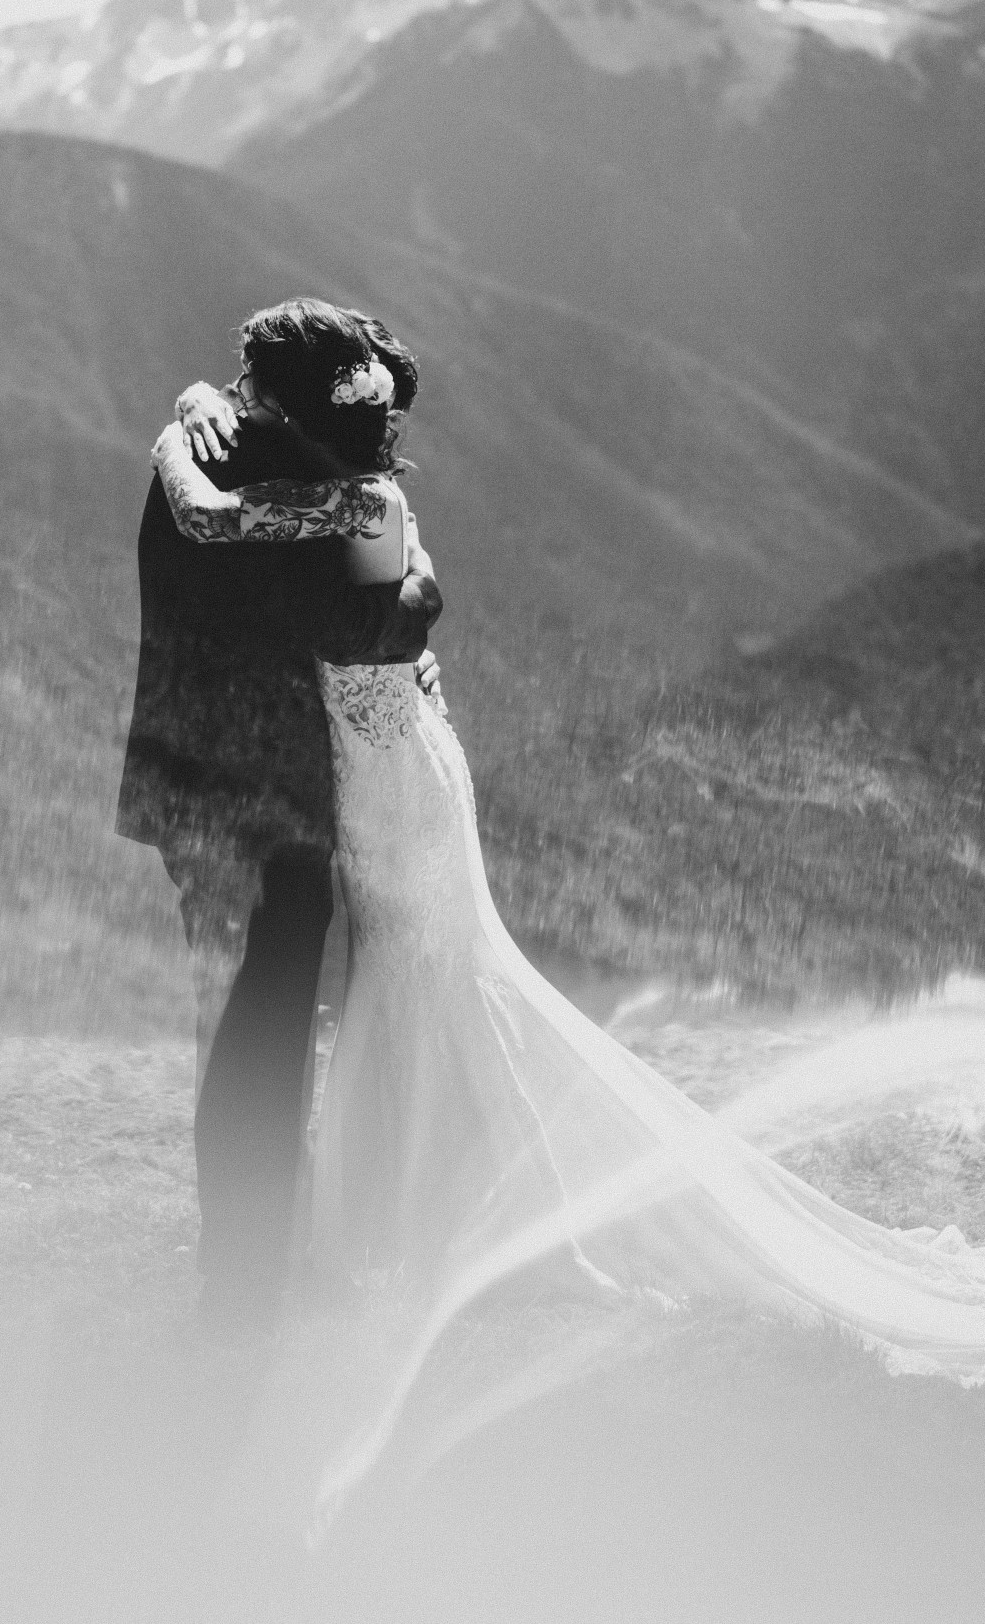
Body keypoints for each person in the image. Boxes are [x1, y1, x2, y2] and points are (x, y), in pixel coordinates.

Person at [151, 296, 985, 1409]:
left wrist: (177, 427)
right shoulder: (370, 498)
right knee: (417, 985)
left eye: (265, 396)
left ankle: (428, 1223)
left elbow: (208, 518)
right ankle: (419, 1215)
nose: (250, 408)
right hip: (391, 764)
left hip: (381, 779)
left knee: (424, 984)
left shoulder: (350, 500)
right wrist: (199, 398)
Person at [116, 301, 442, 1323]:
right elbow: (374, 621)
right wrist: (419, 597)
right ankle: (246, 1276)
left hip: (198, 794)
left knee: (245, 1025)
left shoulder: (202, 453)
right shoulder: (258, 480)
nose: (367, 435)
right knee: (261, 1032)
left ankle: (255, 1252)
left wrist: (184, 412)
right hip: (262, 808)